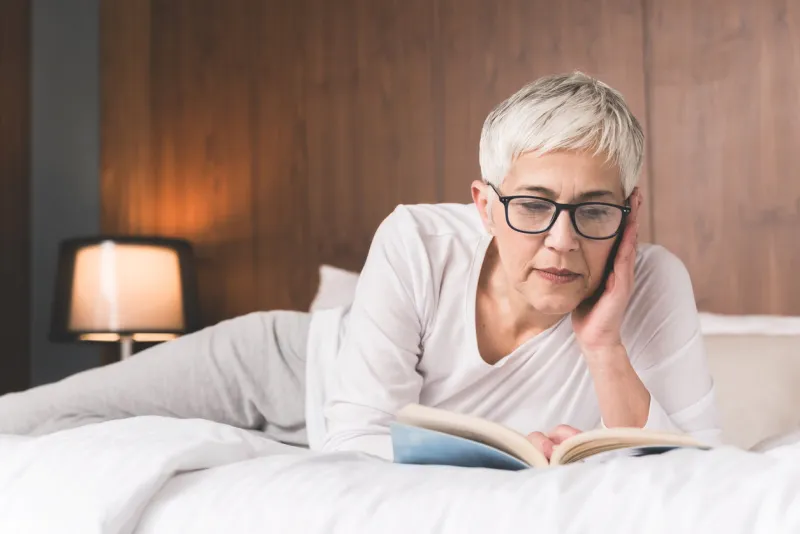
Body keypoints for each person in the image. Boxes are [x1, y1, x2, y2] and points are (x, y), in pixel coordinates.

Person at [0, 72, 720, 461]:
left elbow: (696, 465)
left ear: (630, 211)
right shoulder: (417, 239)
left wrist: (602, 347)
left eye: (595, 210)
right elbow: (354, 437)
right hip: (284, 370)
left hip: (346, 435)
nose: (563, 241)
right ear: (484, 203)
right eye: (534, 204)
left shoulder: (656, 284)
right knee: (34, 418)